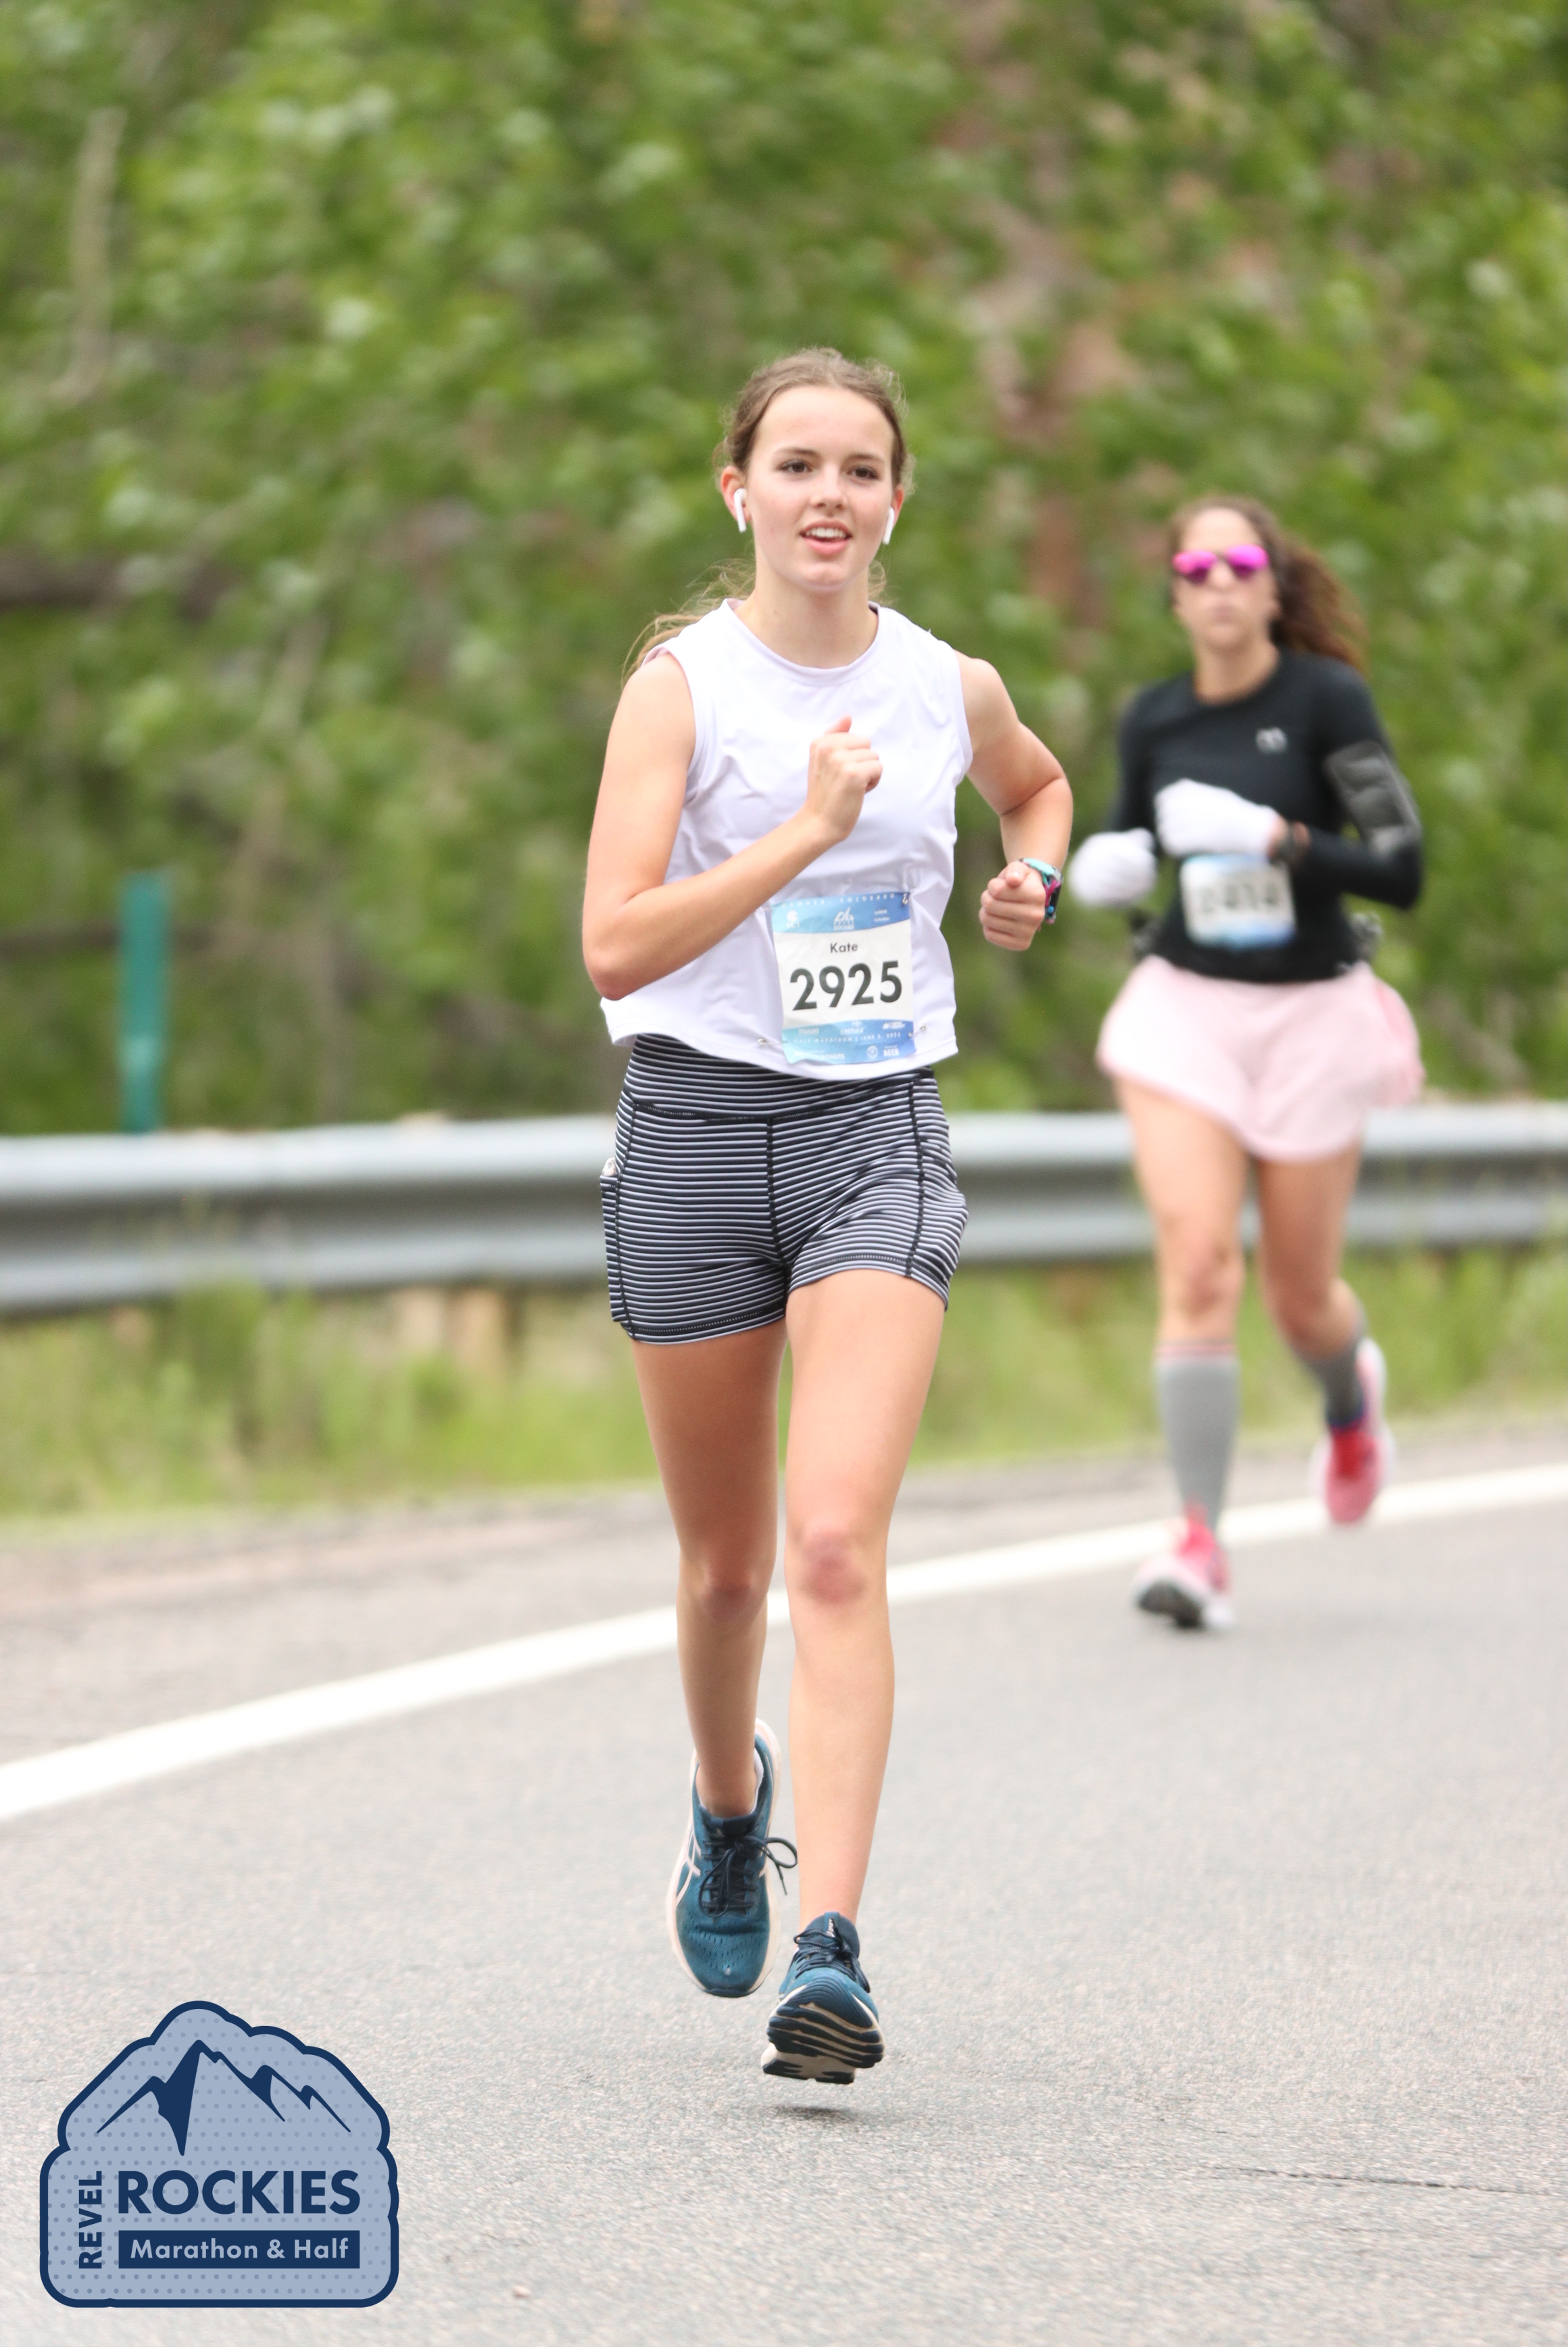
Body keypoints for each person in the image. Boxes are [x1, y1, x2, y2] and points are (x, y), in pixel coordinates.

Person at [581, 349, 1072, 2079]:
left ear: (894, 500)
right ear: (739, 490)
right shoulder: (682, 691)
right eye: (794, 464)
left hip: (877, 1130)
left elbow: (1034, 781)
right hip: (697, 1132)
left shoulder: (944, 681)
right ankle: (728, 1811)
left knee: (836, 1544)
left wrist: (1031, 870)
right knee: (725, 1572)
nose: (826, 496)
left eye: (859, 469)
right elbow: (613, 945)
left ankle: (833, 1946)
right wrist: (802, 832)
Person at [1066, 494, 1423, 1632]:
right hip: (1188, 1012)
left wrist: (1277, 839)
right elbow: (1131, 838)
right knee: (1200, 1262)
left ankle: (1349, 1404)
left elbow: (1403, 866)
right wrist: (1107, 866)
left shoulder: (1328, 701)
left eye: (1240, 563)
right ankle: (1199, 1543)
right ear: (1175, 596)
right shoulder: (1154, 717)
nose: (1218, 583)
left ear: (1274, 585)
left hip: (1313, 1014)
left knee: (1301, 1300)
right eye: (1196, 568)